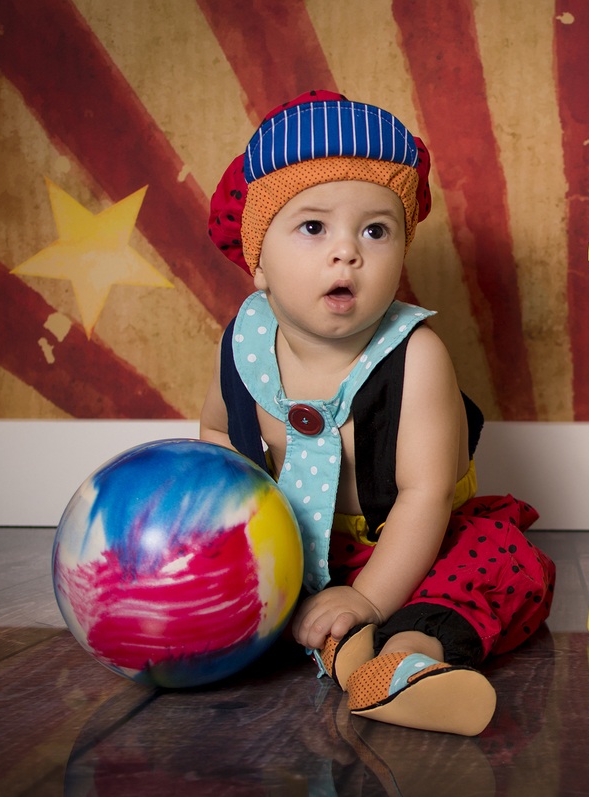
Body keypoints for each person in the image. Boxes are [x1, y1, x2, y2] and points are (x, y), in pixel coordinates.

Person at [200, 90, 555, 737]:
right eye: (313, 227)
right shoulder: (243, 345)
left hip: (409, 540)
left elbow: (426, 493)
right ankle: (341, 644)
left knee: (485, 567)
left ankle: (409, 663)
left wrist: (368, 595)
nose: (347, 251)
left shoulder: (416, 354)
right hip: (298, 547)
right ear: (258, 260)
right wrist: (228, 535)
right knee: (231, 594)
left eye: (375, 229)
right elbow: (220, 430)